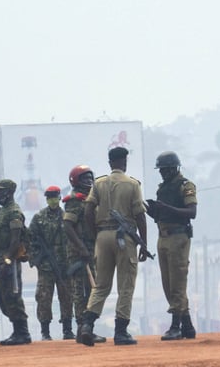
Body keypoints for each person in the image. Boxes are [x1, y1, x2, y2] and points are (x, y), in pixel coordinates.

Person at [81, 146, 148, 346]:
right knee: (126, 285)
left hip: (103, 236)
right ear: (124, 162)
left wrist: (95, 235)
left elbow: (88, 211)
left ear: (110, 163)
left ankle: (87, 325)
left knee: (101, 285)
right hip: (125, 238)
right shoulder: (132, 184)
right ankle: (121, 332)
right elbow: (140, 216)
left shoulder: (99, 183)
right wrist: (143, 243)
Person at [146, 151, 198, 342]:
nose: (162, 174)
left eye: (165, 170)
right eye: (161, 170)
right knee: (168, 283)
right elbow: (161, 215)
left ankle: (176, 325)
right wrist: (153, 211)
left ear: (173, 169)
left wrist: (167, 209)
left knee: (177, 281)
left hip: (178, 236)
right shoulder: (163, 188)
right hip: (163, 235)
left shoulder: (185, 186)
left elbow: (191, 212)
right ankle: (188, 324)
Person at [62, 165, 106, 345]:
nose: (89, 182)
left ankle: (88, 329)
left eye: (90, 178)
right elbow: (68, 226)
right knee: (80, 291)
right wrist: (81, 248)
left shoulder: (90, 199)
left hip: (90, 249)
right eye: (84, 179)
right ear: (76, 181)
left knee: (91, 290)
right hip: (79, 254)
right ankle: (82, 328)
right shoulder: (74, 201)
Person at [0, 178, 31, 345]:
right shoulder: (3, 211)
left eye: (1, 191)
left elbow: (15, 240)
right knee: (2, 296)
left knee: (12, 296)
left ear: (9, 192)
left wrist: (7, 261)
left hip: (8, 260)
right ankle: (17, 330)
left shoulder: (13, 212)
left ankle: (22, 332)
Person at [29, 184, 73, 341]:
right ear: (46, 199)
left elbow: (73, 239)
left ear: (59, 198)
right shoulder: (38, 218)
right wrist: (37, 259)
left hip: (64, 266)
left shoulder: (66, 216)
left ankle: (67, 329)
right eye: (50, 198)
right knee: (43, 298)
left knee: (67, 297)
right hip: (46, 267)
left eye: (55, 197)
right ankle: (45, 331)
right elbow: (30, 240)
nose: (53, 200)